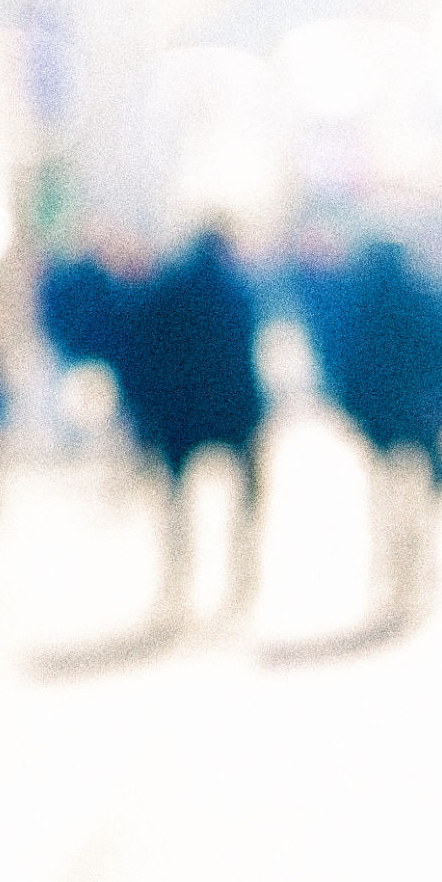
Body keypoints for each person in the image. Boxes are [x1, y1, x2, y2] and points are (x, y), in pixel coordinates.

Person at [313, 239, 442, 629]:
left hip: (380, 417)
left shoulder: (359, 307)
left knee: (385, 496)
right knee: (423, 496)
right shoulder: (424, 299)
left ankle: (394, 573)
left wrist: (353, 411)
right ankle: (424, 568)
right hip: (421, 414)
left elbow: (345, 361)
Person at [119, 229, 266, 630]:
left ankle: (179, 579)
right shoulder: (235, 289)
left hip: (178, 414)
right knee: (246, 497)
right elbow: (248, 346)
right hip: (233, 409)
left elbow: (138, 348)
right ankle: (243, 570)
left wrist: (146, 409)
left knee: (176, 503)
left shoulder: (164, 289)